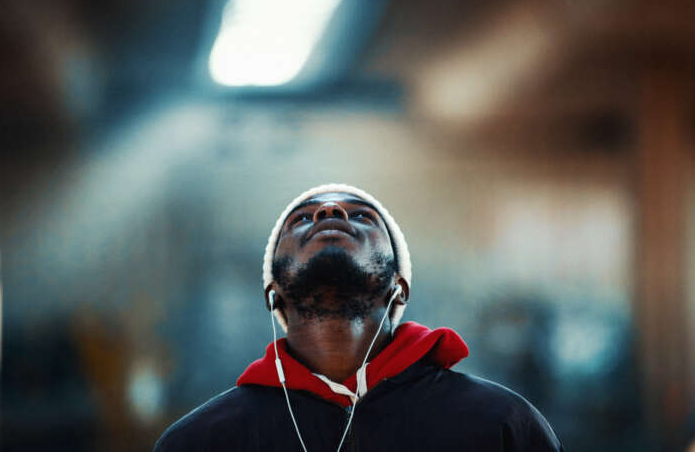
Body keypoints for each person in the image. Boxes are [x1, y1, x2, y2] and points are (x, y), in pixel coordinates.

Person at [153, 183, 564, 451]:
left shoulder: (500, 424)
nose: (329, 211)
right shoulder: (201, 441)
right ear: (273, 295)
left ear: (399, 288)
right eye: (301, 220)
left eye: (362, 216)